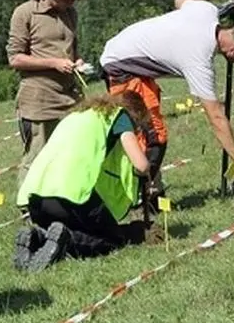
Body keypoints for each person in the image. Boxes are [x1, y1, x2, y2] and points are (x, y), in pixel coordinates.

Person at [99, 0, 234, 214]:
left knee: (148, 133)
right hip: (121, 67)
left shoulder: (207, 12)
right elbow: (216, 117)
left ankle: (155, 198)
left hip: (130, 57)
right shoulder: (198, 58)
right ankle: (138, 203)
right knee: (154, 136)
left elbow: (182, 0)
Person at [14, 91, 152, 271]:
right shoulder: (120, 117)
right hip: (70, 195)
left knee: (66, 226)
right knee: (112, 240)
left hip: (36, 197)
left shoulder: (76, 116)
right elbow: (141, 165)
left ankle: (38, 237)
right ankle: (68, 242)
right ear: (136, 114)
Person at [7, 0, 89, 200]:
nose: (71, 2)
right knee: (37, 154)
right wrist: (53, 63)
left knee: (70, 151)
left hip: (70, 94)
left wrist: (77, 61)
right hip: (38, 98)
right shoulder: (25, 13)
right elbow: (15, 58)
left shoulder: (70, 14)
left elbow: (73, 48)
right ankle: (28, 205)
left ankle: (62, 199)